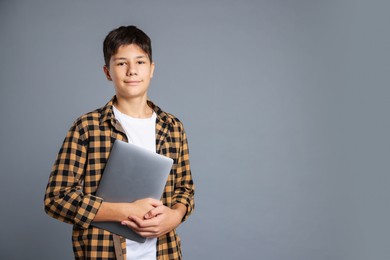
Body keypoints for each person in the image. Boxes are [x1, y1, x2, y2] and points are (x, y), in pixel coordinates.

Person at [44, 25, 195, 260]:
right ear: (107, 72)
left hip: (164, 253)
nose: (132, 70)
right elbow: (56, 199)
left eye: (140, 62)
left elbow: (185, 190)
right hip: (103, 252)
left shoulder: (173, 127)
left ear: (152, 68)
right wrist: (126, 211)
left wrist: (174, 216)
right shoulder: (87, 127)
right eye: (122, 63)